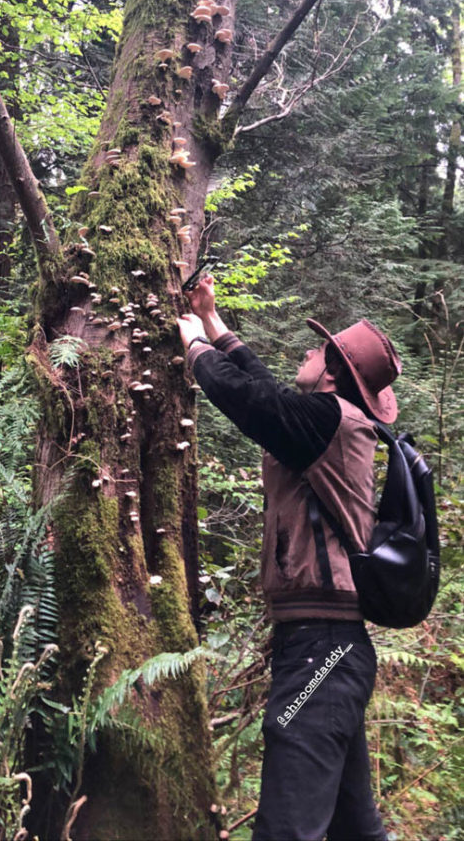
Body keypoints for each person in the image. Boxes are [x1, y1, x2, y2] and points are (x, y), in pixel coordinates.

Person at [177, 275, 401, 841]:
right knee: (355, 828)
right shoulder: (332, 422)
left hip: (321, 655)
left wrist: (193, 347)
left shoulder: (327, 422)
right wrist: (212, 321)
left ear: (331, 372)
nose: (306, 350)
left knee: (287, 829)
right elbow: (270, 392)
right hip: (331, 649)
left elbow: (256, 404)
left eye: (316, 348)